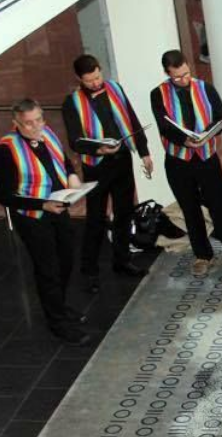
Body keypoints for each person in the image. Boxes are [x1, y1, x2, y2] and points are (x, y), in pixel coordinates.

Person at [0, 99, 92, 345]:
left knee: (66, 259)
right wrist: (42, 204)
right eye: (28, 123)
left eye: (39, 119)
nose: (35, 126)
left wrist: (72, 177)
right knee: (47, 267)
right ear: (16, 123)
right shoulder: (6, 149)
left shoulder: (47, 133)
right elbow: (4, 196)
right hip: (32, 216)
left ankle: (58, 304)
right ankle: (57, 321)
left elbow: (64, 161)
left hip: (58, 207)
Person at [149, 50, 222, 276]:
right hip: (178, 160)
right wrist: (185, 140)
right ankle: (202, 255)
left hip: (206, 158)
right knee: (190, 208)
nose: (183, 80)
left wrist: (207, 134)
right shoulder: (158, 94)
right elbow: (164, 127)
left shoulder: (205, 88)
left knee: (220, 206)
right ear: (167, 73)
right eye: (177, 77)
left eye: (186, 74)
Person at [61, 54, 152, 293]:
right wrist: (99, 148)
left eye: (98, 76)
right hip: (97, 165)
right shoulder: (72, 102)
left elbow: (132, 121)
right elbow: (75, 140)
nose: (96, 83)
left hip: (122, 160)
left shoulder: (115, 88)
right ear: (79, 79)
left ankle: (122, 261)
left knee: (124, 213)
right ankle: (89, 270)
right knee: (96, 218)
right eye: (90, 80)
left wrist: (144, 152)